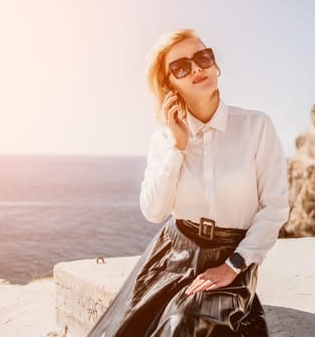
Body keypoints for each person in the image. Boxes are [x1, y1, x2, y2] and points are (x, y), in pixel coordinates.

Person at [86, 28, 289, 337]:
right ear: (170, 84)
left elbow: (274, 208)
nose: (196, 69)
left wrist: (234, 264)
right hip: (173, 250)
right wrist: (177, 146)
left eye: (202, 58)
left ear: (214, 63)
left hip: (231, 254)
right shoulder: (165, 140)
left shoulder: (256, 126)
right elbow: (154, 212)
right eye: (181, 67)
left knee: (184, 325)